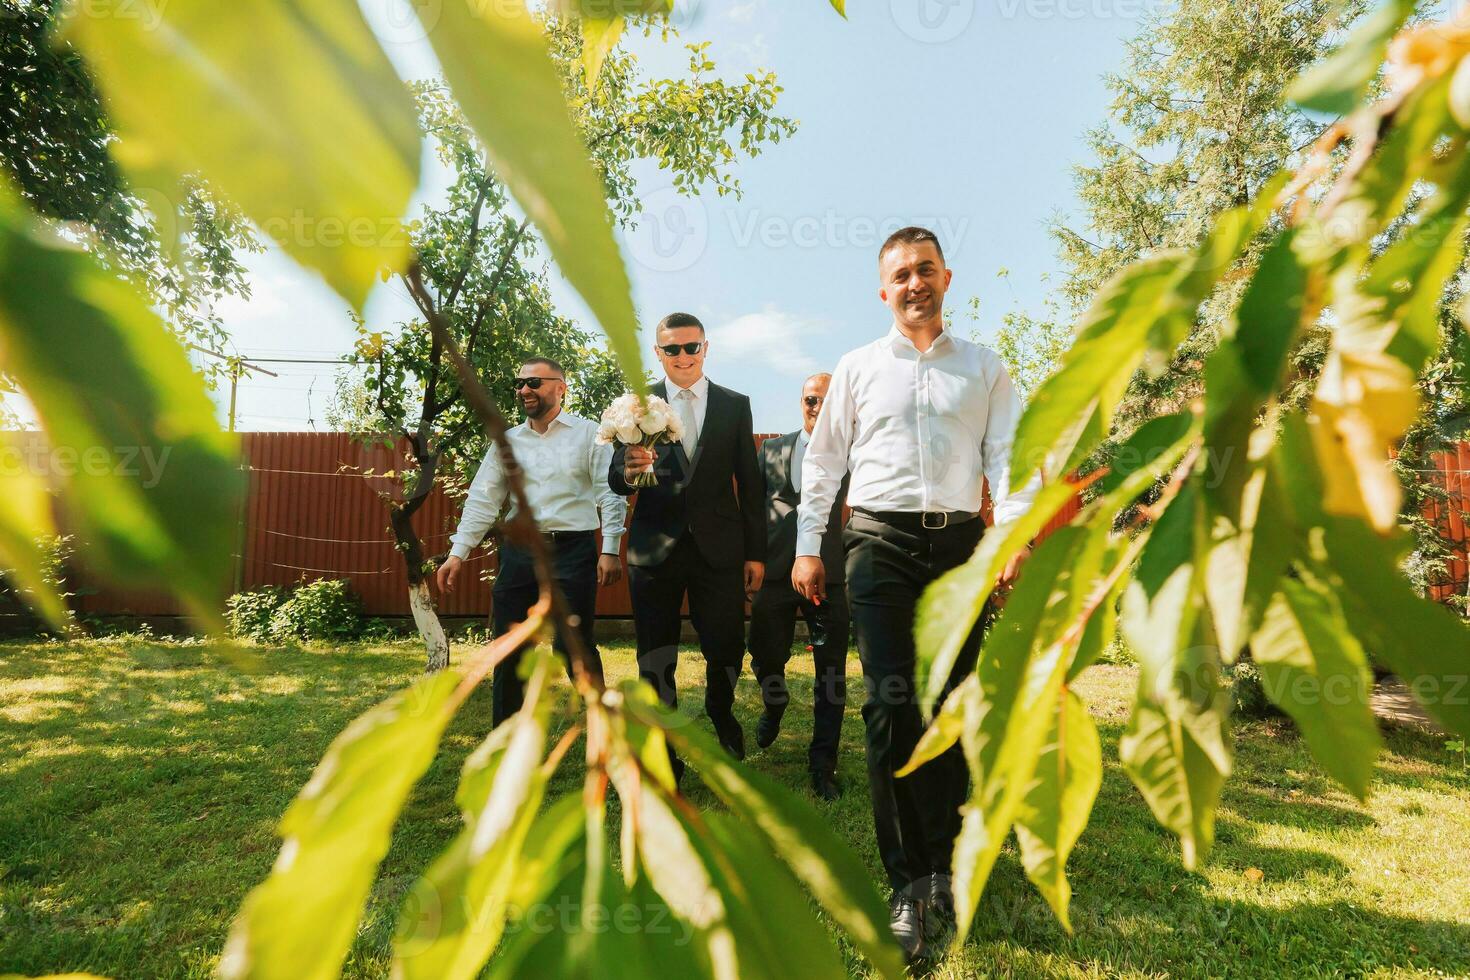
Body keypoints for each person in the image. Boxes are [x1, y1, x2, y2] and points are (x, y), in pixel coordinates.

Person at [792, 227, 1037, 961]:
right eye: (900, 274)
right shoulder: (859, 367)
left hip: (960, 547)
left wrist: (1011, 538)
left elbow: (1009, 457)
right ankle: (910, 883)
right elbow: (824, 460)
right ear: (883, 290)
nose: (913, 283)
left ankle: (950, 863)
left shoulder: (985, 369)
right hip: (878, 543)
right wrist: (809, 546)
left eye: (924, 269)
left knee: (952, 701)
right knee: (893, 702)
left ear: (946, 276)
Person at [610, 312, 765, 774]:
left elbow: (750, 484)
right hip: (654, 550)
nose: (682, 356)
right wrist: (630, 467)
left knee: (726, 647)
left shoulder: (735, 405)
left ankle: (720, 710)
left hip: (719, 549)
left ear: (705, 348)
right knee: (655, 654)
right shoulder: (635, 405)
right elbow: (616, 481)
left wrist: (755, 551)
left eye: (690, 347)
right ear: (658, 354)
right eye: (672, 349)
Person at [437, 356, 625, 726]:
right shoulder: (507, 441)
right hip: (520, 554)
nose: (524, 390)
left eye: (534, 383)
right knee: (509, 648)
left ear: (560, 387)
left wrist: (610, 548)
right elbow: (483, 497)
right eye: (520, 384)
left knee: (575, 647)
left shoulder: (590, 434)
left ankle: (610, 732)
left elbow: (610, 493)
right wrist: (458, 551)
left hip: (574, 550)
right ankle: (505, 741)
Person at [748, 373, 850, 801]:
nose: (817, 408)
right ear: (801, 402)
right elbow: (753, 506)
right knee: (764, 655)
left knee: (831, 672)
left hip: (828, 573)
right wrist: (749, 557)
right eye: (811, 399)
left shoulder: (853, 450)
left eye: (827, 401)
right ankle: (775, 704)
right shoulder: (772, 448)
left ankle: (822, 764)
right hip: (773, 571)